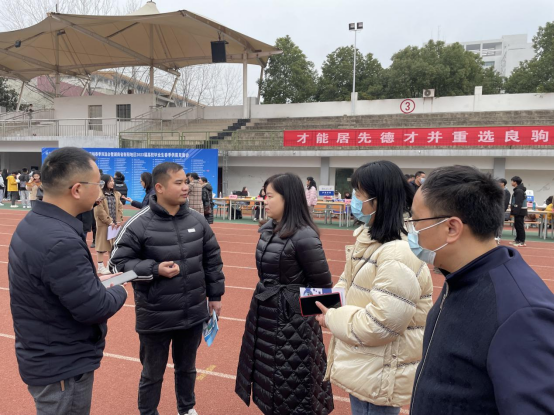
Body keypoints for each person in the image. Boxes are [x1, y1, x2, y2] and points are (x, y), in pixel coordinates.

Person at [407, 165, 554, 415]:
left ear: (451, 228)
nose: (411, 229)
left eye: (415, 220)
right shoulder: (460, 276)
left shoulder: (520, 314)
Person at [8, 147, 127, 415]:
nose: (100, 191)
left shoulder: (35, 221)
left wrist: (89, 280)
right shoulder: (60, 239)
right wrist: (119, 287)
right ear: (77, 190)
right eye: (97, 184)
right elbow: (94, 308)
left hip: (46, 352)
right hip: (62, 364)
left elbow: (56, 283)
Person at [315, 161, 433, 416]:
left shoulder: (398, 252)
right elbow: (348, 282)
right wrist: (328, 303)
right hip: (366, 361)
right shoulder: (371, 239)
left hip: (380, 367)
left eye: (359, 195)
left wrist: (332, 317)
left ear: (379, 200)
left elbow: (382, 324)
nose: (354, 201)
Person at [109, 162, 225, 416]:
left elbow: (212, 260)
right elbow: (116, 266)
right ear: (159, 187)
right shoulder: (138, 224)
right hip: (155, 315)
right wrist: (154, 269)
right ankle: (148, 412)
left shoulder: (197, 220)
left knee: (187, 368)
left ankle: (187, 408)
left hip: (193, 312)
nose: (186, 188)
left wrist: (215, 296)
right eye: (179, 183)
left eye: (186, 182)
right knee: (152, 373)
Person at [236, 173, 334, 416]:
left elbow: (322, 286)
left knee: (292, 387)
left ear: (287, 198)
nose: (265, 201)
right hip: (264, 315)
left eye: (270, 196)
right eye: (264, 195)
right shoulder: (268, 229)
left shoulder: (304, 235)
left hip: (293, 324)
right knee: (267, 381)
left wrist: (300, 319)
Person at [94, 175, 124, 275]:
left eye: (113, 181)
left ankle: (109, 265)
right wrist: (109, 221)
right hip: (104, 224)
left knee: (113, 246)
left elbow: (120, 207)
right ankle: (100, 267)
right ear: (105, 182)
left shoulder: (116, 194)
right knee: (102, 246)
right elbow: (99, 210)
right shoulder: (100, 194)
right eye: (110, 181)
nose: (113, 182)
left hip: (114, 225)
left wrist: (118, 220)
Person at [510, 176, 528, 248]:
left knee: (519, 226)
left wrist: (515, 212)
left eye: (512, 181)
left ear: (515, 182)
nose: (511, 182)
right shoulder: (518, 190)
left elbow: (518, 202)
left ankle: (522, 241)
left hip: (520, 211)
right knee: (517, 225)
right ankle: (517, 240)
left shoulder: (519, 191)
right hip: (519, 211)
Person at [496, 178, 512, 243]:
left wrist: (502, 209)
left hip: (501, 210)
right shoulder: (497, 190)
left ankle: (498, 236)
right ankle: (495, 236)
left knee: (500, 223)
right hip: (496, 209)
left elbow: (506, 202)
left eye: (499, 182)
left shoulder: (506, 192)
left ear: (503, 183)